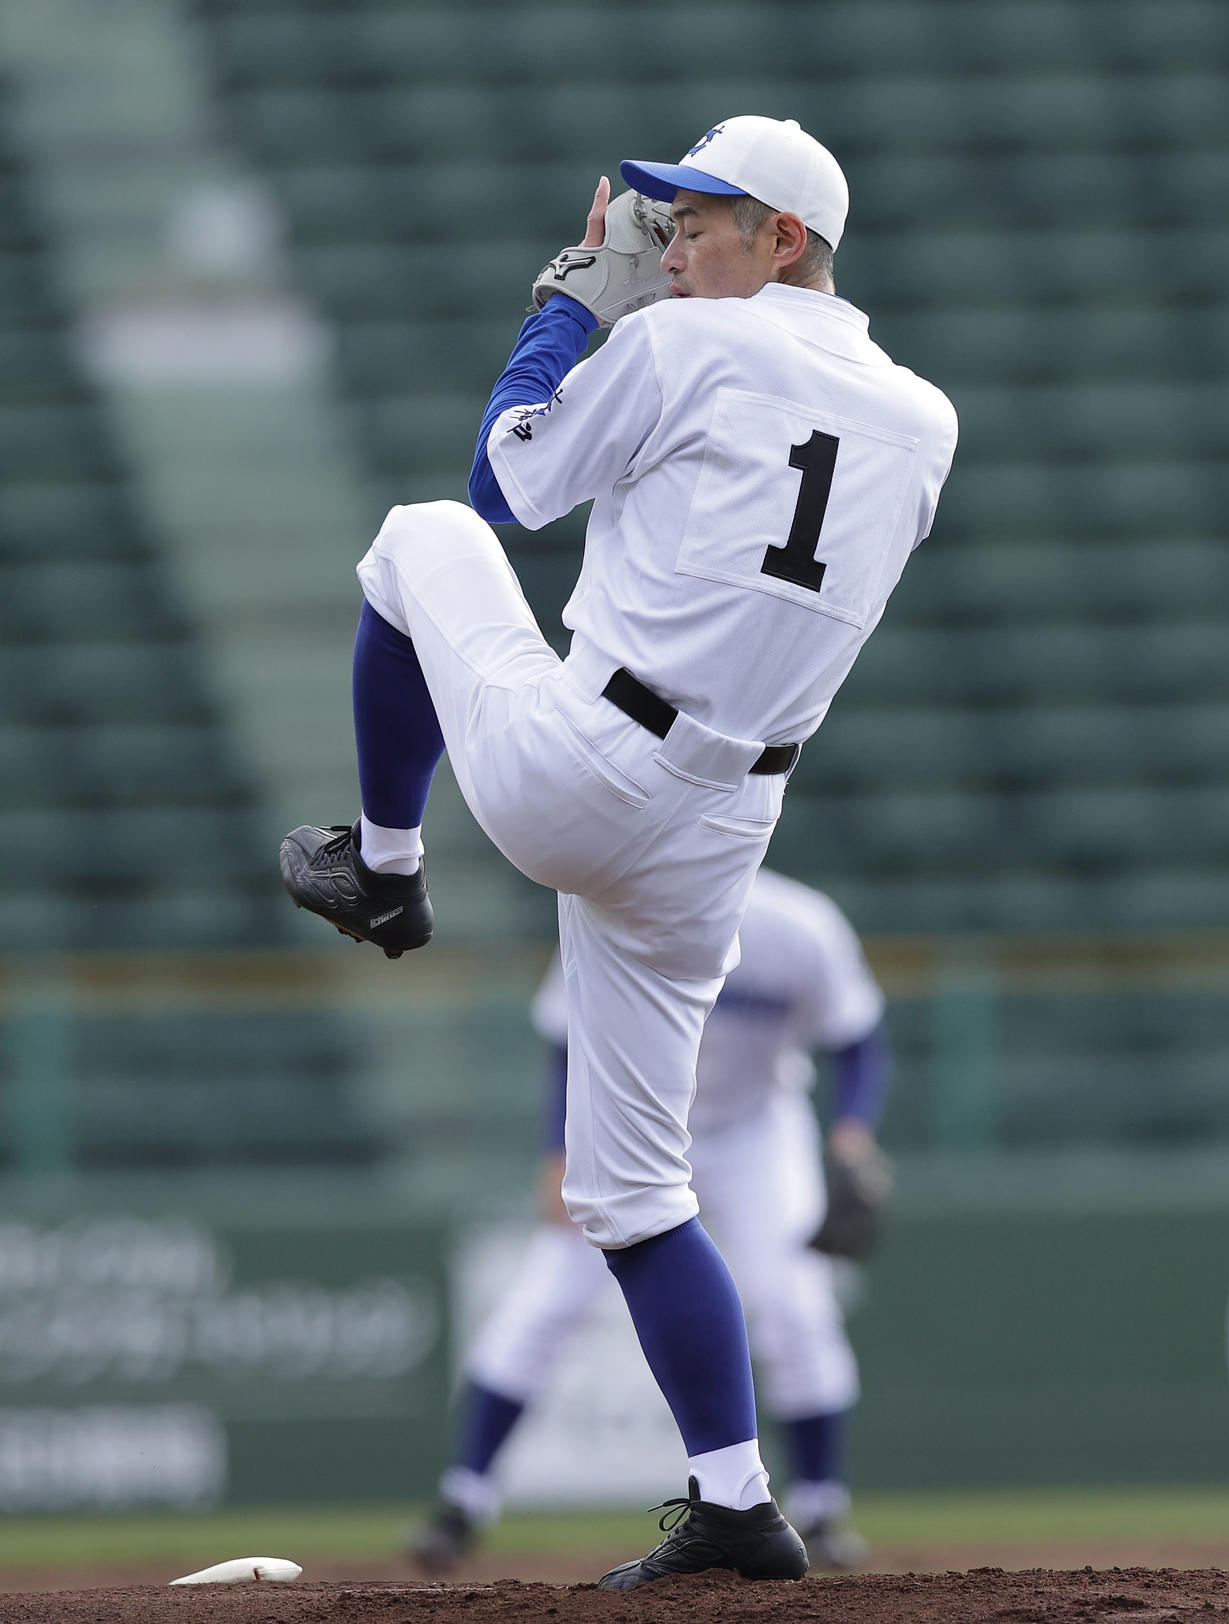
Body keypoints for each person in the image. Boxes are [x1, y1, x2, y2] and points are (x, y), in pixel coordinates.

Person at [279, 114, 957, 1588]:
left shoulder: (679, 348)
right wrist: (661, 336)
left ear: (786, 240)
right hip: (723, 824)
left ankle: (386, 865)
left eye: (702, 220)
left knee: (413, 538)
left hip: (587, 763)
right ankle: (735, 1500)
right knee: (638, 1197)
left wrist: (573, 313)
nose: (671, 242)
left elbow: (505, 486)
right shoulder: (927, 415)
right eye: (666, 219)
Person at [410, 867, 894, 1575]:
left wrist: (852, 1133)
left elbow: (858, 1038)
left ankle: (820, 1506)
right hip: (630, 1120)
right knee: (546, 1301)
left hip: (755, 1132)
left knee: (796, 1304)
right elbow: (563, 1035)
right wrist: (557, 1149)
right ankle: (463, 1501)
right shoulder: (621, 899)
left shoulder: (800, 924)